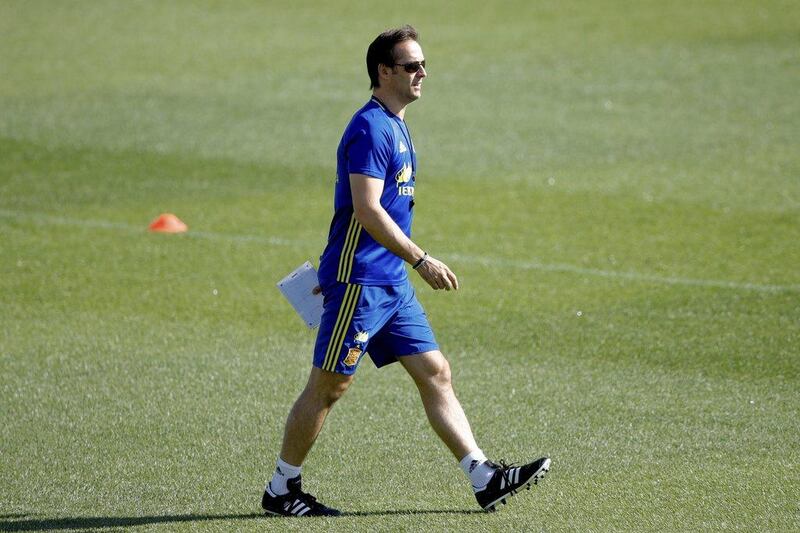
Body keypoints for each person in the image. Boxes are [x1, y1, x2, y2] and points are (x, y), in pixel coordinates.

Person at [261, 25, 550, 517]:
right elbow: (368, 210)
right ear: (384, 71)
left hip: (390, 283)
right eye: (412, 65)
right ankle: (281, 489)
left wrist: (406, 266)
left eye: (423, 64)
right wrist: (421, 259)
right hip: (360, 282)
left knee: (436, 373)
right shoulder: (370, 128)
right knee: (329, 387)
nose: (423, 73)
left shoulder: (396, 124)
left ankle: (483, 477)